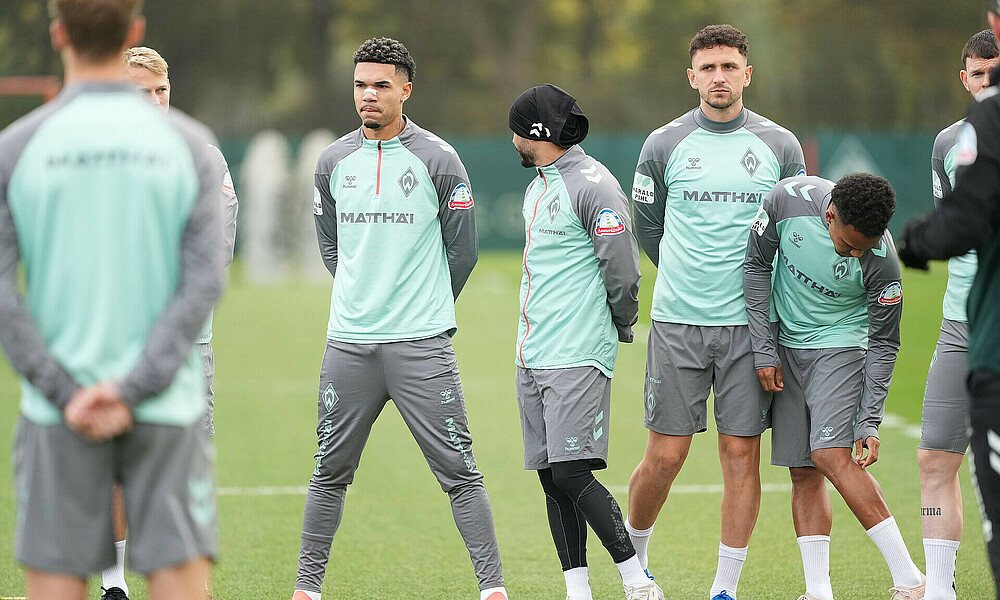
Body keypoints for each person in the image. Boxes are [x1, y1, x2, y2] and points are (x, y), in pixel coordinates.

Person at [0, 0, 226, 599]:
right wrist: (132, 389)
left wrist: (65, 391)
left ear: (56, 35)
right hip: (167, 400)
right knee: (179, 577)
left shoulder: (17, 146)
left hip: (58, 411)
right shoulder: (192, 145)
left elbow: (3, 293)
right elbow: (206, 281)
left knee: (54, 581)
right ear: (134, 31)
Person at [290, 37, 507, 600]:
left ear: (406, 90)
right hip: (349, 348)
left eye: (381, 85)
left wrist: (427, 304)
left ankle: (493, 590)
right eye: (361, 85)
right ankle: (307, 590)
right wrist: (364, 295)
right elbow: (331, 247)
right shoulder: (333, 160)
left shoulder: (439, 159)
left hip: (421, 347)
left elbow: (463, 251)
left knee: (460, 474)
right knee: (327, 474)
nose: (368, 95)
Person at [626, 23, 805, 600]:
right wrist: (685, 272)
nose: (719, 78)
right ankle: (637, 566)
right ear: (692, 76)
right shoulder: (663, 144)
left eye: (729, 67)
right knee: (666, 454)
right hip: (678, 322)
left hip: (750, 328)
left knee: (738, 454)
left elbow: (795, 231)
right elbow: (647, 227)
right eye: (708, 68)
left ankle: (724, 589)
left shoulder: (781, 146)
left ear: (747, 73)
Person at [94, 45, 240, 600]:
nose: (155, 102)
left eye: (161, 91)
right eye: (141, 93)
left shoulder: (202, 155)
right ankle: (114, 584)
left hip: (184, 339)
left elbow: (218, 247)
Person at [745, 173, 924, 600]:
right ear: (829, 216)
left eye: (865, 246)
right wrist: (764, 349)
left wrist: (870, 419)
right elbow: (755, 265)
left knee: (829, 454)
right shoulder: (784, 202)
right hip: (785, 343)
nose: (858, 253)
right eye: (849, 245)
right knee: (803, 470)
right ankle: (819, 591)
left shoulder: (883, 262)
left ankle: (911, 578)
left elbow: (884, 343)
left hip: (841, 345)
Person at [509, 84, 653, 600]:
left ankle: (637, 581)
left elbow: (623, 269)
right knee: (551, 476)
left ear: (535, 133)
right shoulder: (537, 187)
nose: (512, 140)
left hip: (577, 351)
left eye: (516, 130)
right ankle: (577, 589)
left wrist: (620, 320)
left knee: (572, 472)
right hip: (533, 354)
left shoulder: (593, 185)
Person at [898, 4, 1000, 598]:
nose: (984, 84)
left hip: (994, 322)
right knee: (935, 458)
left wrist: (920, 241)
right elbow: (952, 220)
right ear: (963, 78)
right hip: (960, 324)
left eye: (994, 73)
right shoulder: (947, 142)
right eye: (976, 75)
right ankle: (940, 590)